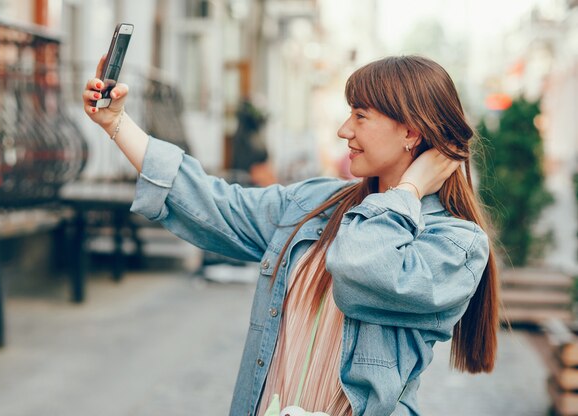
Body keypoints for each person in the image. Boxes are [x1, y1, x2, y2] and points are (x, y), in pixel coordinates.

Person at [83, 55, 498, 416]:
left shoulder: (456, 246)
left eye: (360, 115)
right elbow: (216, 205)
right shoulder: (316, 203)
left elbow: (359, 268)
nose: (343, 130)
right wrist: (117, 124)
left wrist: (406, 192)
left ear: (411, 132)